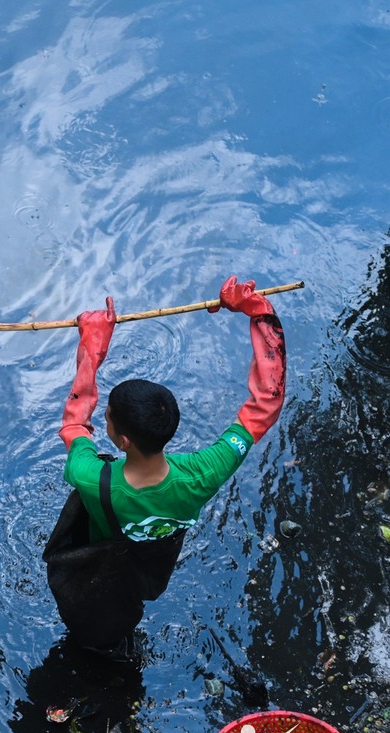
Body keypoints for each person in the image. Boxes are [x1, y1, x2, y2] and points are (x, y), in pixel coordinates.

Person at [44, 276, 287, 659]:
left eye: (108, 418)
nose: (103, 420)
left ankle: (96, 650)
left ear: (121, 440)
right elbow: (266, 403)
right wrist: (258, 310)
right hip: (150, 573)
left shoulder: (90, 476)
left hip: (99, 570)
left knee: (95, 629)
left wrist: (92, 344)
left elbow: (74, 424)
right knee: (131, 601)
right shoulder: (204, 473)